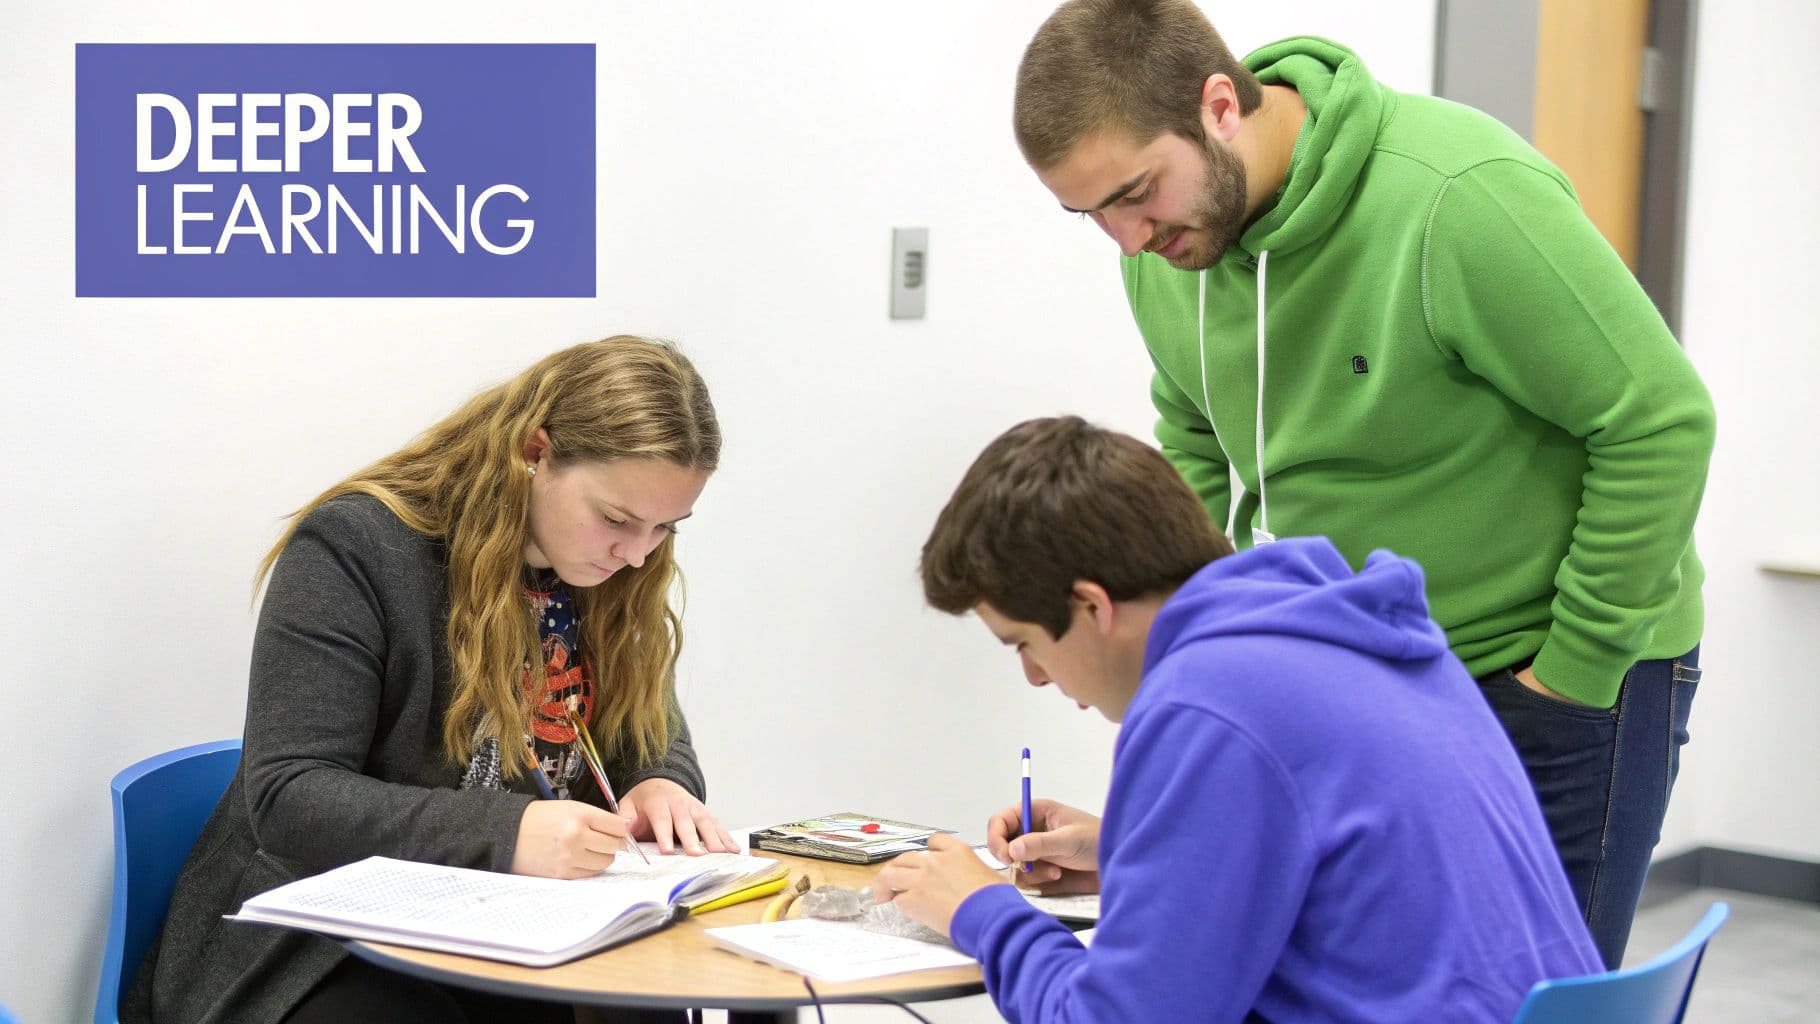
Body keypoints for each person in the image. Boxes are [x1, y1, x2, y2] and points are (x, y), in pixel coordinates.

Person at [1010, 0, 1715, 966]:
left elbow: (1659, 420)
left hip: (1544, 668)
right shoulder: (1167, 254)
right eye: (1091, 214)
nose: (1127, 240)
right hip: (1358, 683)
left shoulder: (1456, 195)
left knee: (1524, 994)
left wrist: (1568, 679)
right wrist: (1196, 659)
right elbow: (1196, 442)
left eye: (1136, 194)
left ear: (1220, 106)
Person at [876, 415, 1602, 1022]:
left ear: (1091, 607)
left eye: (1025, 645)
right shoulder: (1341, 635)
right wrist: (1132, 849)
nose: (1035, 676)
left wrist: (982, 912)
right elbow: (1344, 863)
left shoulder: (1206, 699)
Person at [124, 336, 736, 1024]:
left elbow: (648, 726)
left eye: (666, 528)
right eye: (616, 519)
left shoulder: (612, 570)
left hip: (505, 920)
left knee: (650, 996)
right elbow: (290, 795)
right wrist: (508, 830)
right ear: (535, 451)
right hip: (312, 947)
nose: (637, 553)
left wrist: (660, 781)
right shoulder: (356, 546)